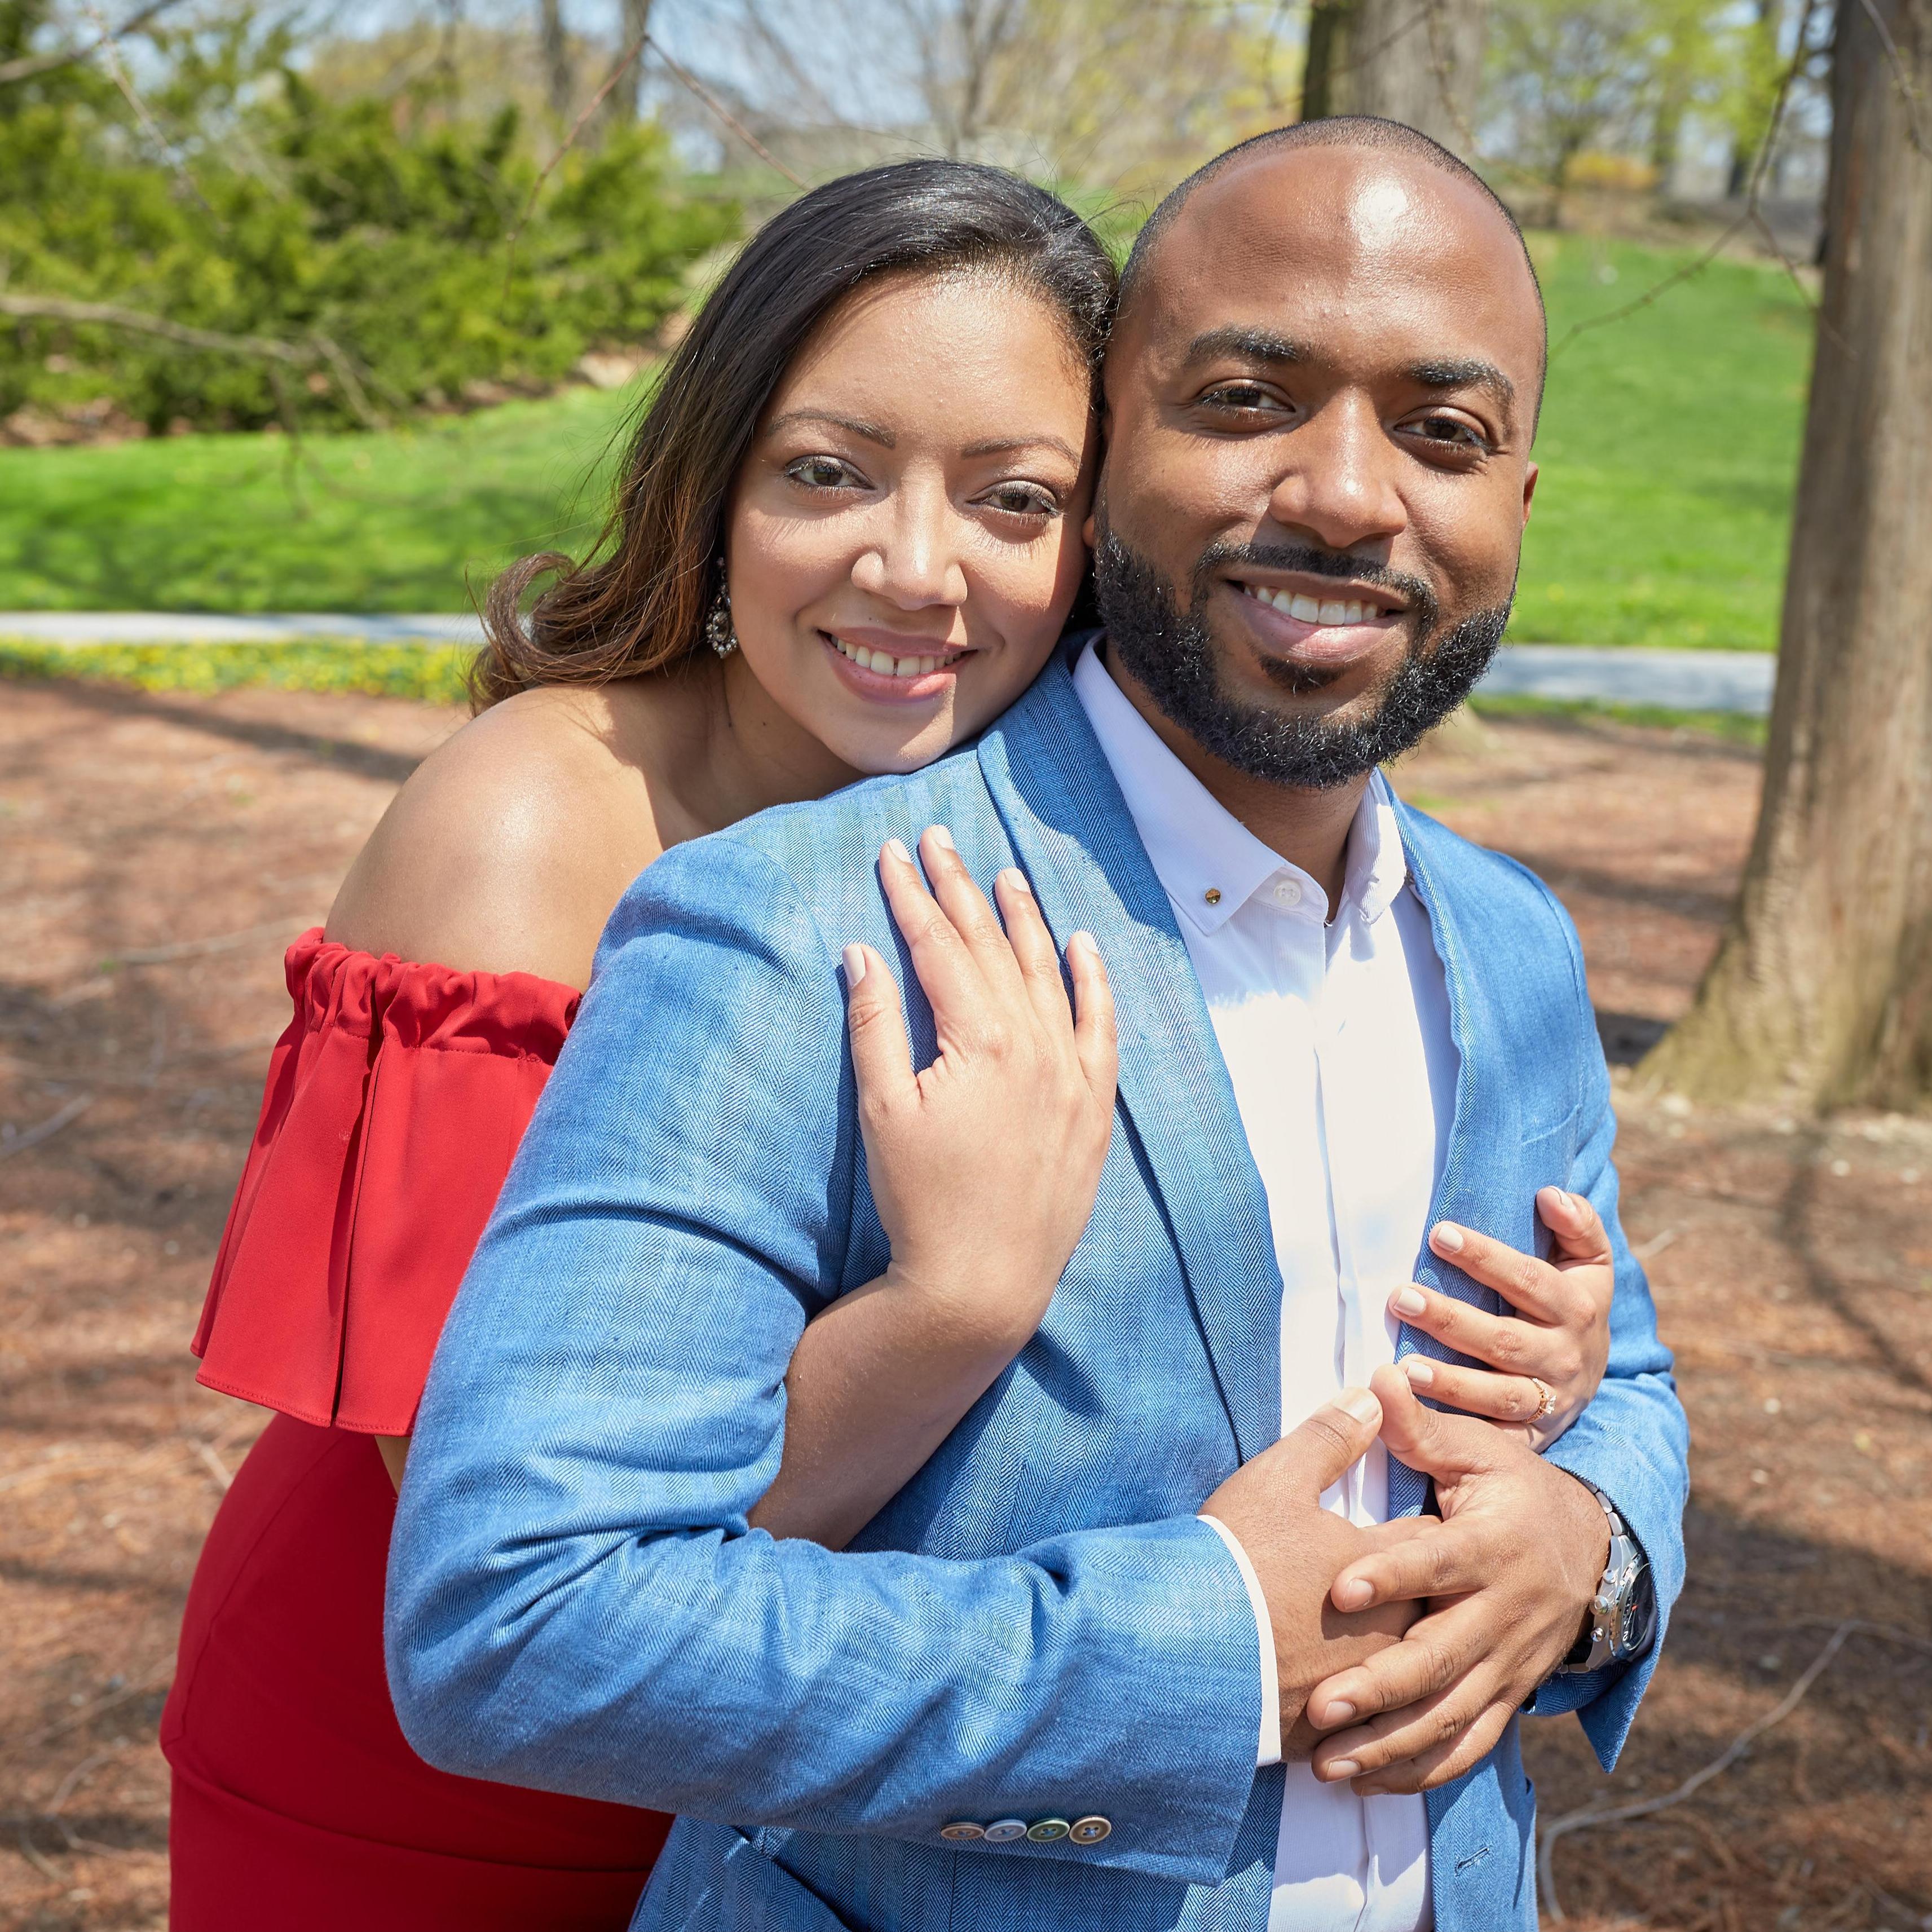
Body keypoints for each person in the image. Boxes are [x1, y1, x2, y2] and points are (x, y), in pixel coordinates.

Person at [167, 158, 1609, 1932]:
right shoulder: (544, 826)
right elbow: (495, 1527)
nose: (912, 569)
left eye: (1010, 496)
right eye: (828, 473)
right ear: (717, 487)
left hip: (865, 1772)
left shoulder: (1078, 853)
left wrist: (1539, 1378)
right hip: (424, 1780)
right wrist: (954, 1303)